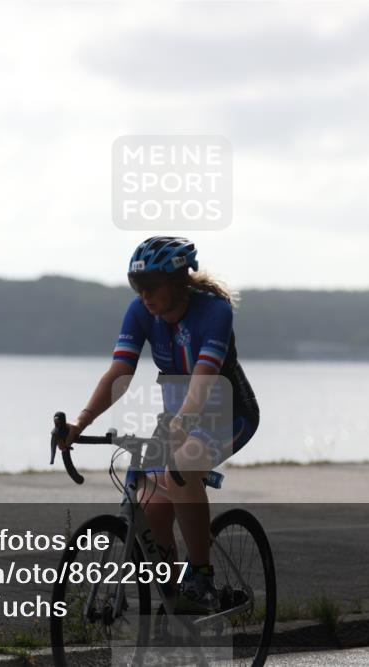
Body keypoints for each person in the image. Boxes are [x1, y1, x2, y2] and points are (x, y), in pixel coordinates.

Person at [57, 236, 260, 614]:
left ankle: (201, 577)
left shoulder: (215, 310)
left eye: (152, 286)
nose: (144, 295)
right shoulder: (140, 312)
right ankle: (174, 594)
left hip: (228, 414)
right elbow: (120, 371)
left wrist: (183, 421)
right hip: (178, 419)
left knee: (180, 468)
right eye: (138, 287)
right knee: (150, 501)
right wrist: (81, 422)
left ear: (179, 280)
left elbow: (204, 374)